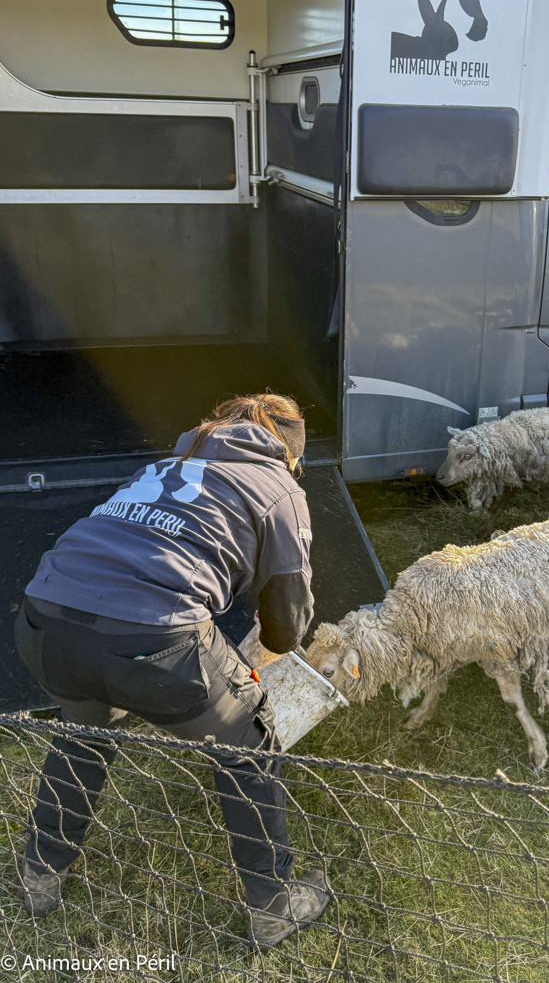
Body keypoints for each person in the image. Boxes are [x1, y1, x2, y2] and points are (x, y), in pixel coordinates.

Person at [14, 392, 332, 949]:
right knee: (250, 738)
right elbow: (285, 623)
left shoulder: (163, 465)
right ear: (291, 450)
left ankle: (39, 873)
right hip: (153, 639)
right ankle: (276, 905)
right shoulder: (281, 489)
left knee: (85, 732)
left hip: (45, 625)